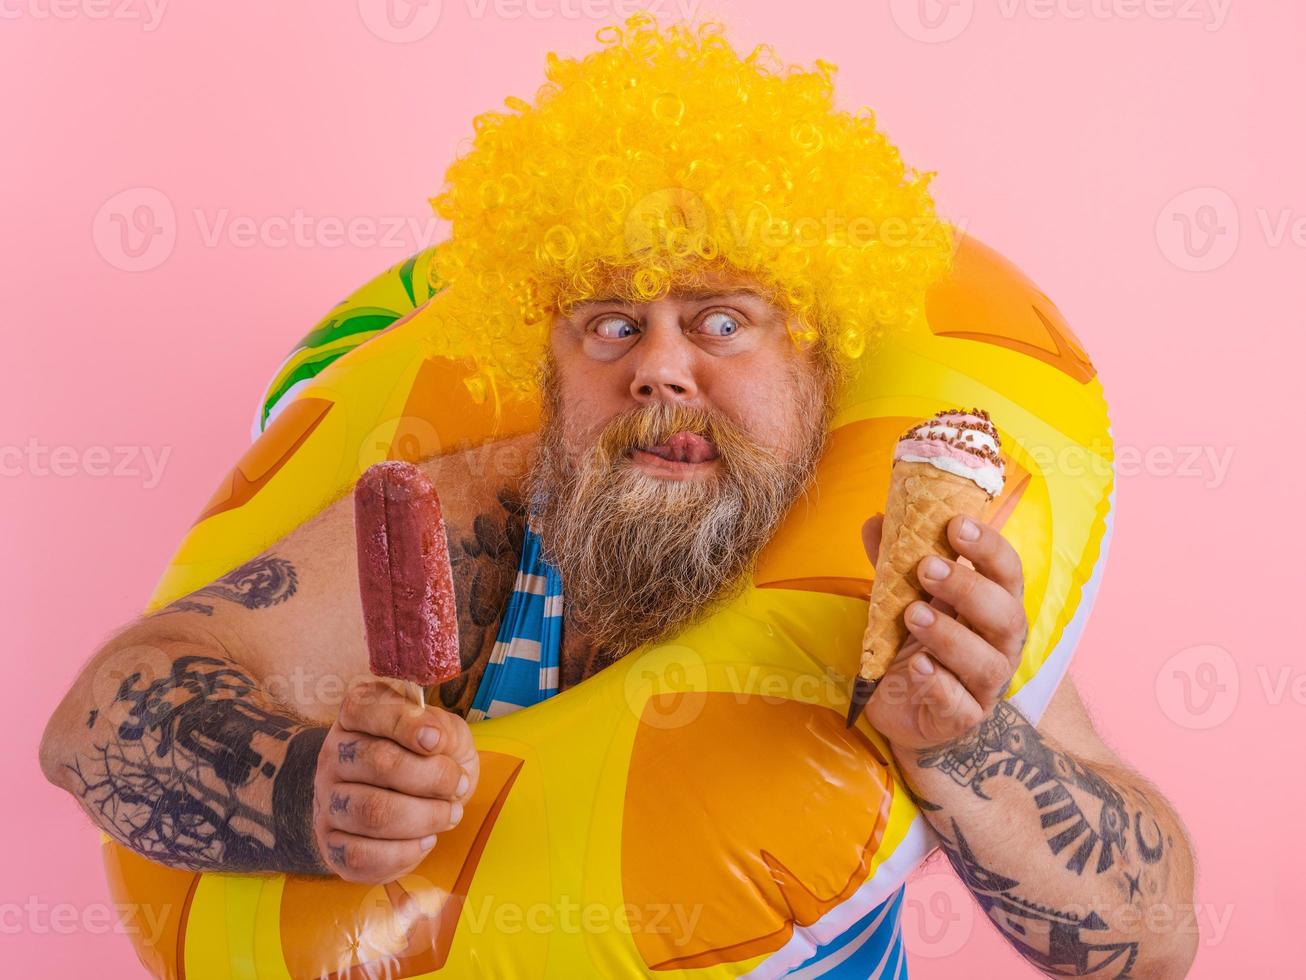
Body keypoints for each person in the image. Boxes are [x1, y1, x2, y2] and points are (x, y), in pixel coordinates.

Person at [40, 15, 1196, 977]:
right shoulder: (477, 526)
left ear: (819, 360)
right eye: (609, 324)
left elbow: (1154, 941)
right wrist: (309, 788)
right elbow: (95, 718)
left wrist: (970, 744)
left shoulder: (896, 566)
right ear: (547, 368)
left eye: (721, 321)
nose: (657, 366)